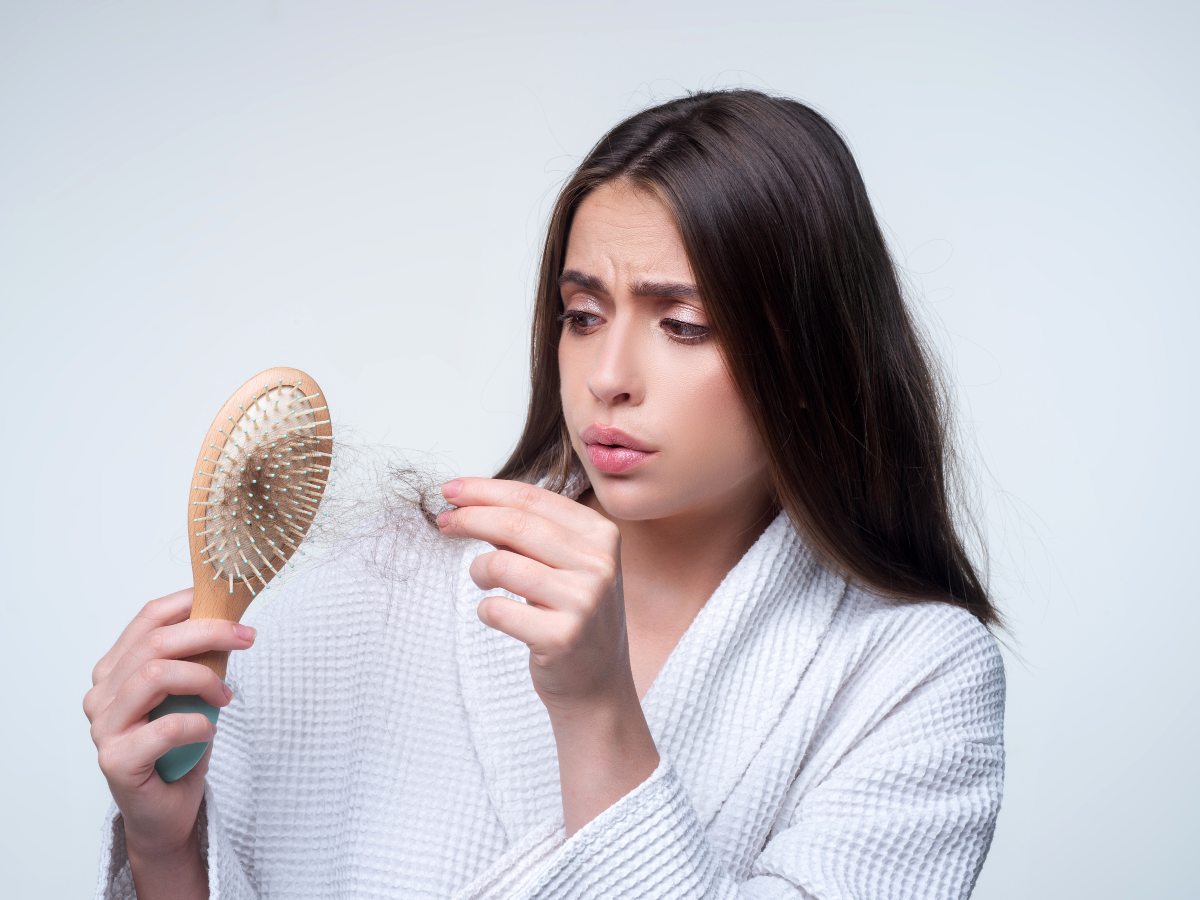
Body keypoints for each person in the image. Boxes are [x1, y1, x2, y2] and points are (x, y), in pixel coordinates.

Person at [86, 87, 1008, 899]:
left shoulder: (915, 674)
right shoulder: (381, 585)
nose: (608, 375)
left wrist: (599, 710)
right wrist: (164, 849)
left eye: (682, 325)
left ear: (809, 357)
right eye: (582, 315)